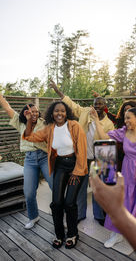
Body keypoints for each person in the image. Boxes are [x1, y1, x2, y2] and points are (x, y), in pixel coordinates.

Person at [91, 107, 136, 248]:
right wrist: (97, 121)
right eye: (125, 118)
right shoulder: (123, 132)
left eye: (128, 117)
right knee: (123, 204)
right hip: (128, 174)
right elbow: (104, 137)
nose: (125, 121)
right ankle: (117, 235)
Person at [23, 101, 87, 249]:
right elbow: (29, 137)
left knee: (69, 202)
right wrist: (28, 122)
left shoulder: (74, 126)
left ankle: (72, 234)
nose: (60, 113)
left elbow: (82, 151)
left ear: (67, 113)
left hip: (76, 165)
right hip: (60, 165)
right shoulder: (50, 129)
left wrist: (77, 173)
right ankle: (59, 234)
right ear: (52, 113)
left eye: (63, 111)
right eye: (57, 111)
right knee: (57, 203)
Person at [50, 80, 114, 226]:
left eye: (100, 104)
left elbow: (108, 143)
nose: (97, 106)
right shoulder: (85, 112)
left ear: (105, 107)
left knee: (98, 189)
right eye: (95, 104)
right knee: (80, 187)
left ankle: (99, 215)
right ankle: (79, 214)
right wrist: (58, 91)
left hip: (101, 158)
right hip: (83, 157)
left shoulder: (109, 124)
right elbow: (71, 104)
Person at [0, 93, 53, 229]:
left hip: (44, 157)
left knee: (55, 186)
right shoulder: (20, 123)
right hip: (29, 159)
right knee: (29, 192)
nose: (34, 113)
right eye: (31, 111)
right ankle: (33, 216)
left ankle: (61, 216)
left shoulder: (45, 122)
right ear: (26, 113)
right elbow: (8, 108)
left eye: (36, 111)